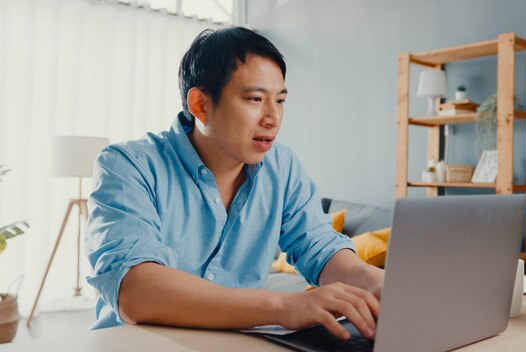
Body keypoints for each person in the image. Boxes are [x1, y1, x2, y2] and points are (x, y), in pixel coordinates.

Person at [85, 27, 384, 341]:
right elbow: (136, 292)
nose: (273, 118)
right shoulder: (126, 165)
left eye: (280, 101)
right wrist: (284, 305)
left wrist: (377, 281)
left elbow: (322, 249)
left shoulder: (282, 167)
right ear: (200, 104)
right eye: (255, 99)